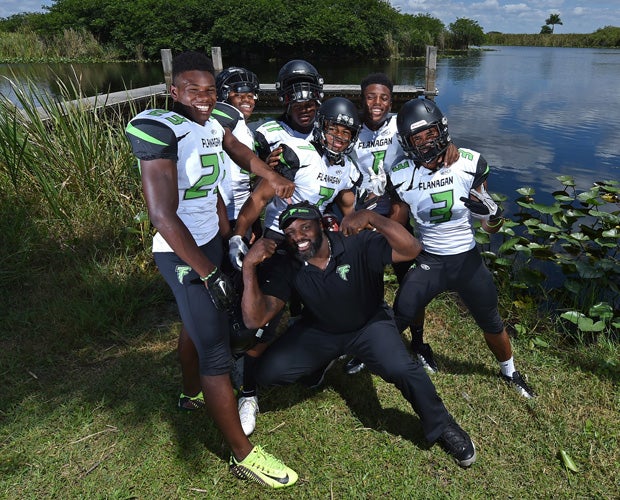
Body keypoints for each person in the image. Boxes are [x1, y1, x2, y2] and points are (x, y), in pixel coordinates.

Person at [125, 50, 298, 489]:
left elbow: (239, 151)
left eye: (209, 90)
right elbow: (162, 215)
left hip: (208, 242)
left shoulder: (213, 123)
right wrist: (208, 271)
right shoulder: (162, 128)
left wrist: (269, 176)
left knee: (194, 325)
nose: (203, 98)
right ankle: (244, 454)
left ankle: (189, 395)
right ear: (174, 90)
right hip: (182, 253)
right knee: (216, 351)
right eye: (193, 90)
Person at [240, 201, 477, 468]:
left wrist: (372, 217)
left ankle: (442, 425)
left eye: (305, 227)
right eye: (291, 232)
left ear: (320, 225)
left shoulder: (355, 242)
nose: (298, 237)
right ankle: (323, 361)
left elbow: (411, 249)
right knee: (268, 372)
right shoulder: (288, 263)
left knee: (403, 369)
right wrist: (248, 266)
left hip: (369, 325)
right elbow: (254, 319)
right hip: (322, 329)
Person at [227, 97, 363, 436]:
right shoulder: (295, 154)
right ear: (320, 127)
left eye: (346, 134)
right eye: (333, 130)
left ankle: (317, 358)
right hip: (280, 241)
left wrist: (357, 229)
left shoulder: (347, 167)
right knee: (262, 320)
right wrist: (239, 235)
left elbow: (347, 207)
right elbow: (259, 198)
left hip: (312, 242)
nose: (338, 140)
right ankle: (248, 392)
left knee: (340, 303)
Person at [390, 97, 536, 398]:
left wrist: (493, 215)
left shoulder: (468, 163)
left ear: (442, 129)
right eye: (418, 137)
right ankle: (393, 350)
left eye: (430, 133)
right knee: (402, 312)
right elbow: (397, 225)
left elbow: (489, 225)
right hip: (430, 257)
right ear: (407, 143)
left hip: (466, 258)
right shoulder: (401, 174)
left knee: (491, 320)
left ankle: (510, 371)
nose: (427, 142)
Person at [344, 73, 460, 375]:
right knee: (365, 286)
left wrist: (450, 145)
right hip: (361, 218)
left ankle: (419, 343)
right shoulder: (351, 126)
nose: (376, 103)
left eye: (383, 97)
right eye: (370, 96)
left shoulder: (399, 125)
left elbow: (432, 133)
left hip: (395, 217)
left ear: (391, 100)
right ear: (361, 98)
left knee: (412, 285)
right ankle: (364, 344)